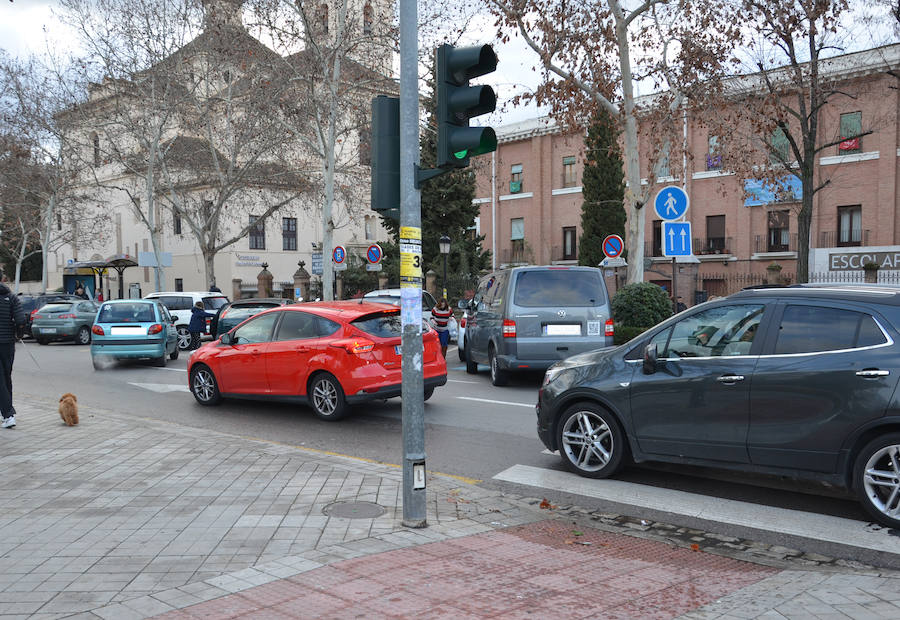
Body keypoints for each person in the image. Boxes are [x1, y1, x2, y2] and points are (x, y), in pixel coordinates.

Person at [0, 269, 26, 429]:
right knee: (6, 377)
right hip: (8, 344)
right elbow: (21, 320)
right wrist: (19, 335)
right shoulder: (12, 298)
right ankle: (6, 411)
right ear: (3, 279)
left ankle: (8, 414)